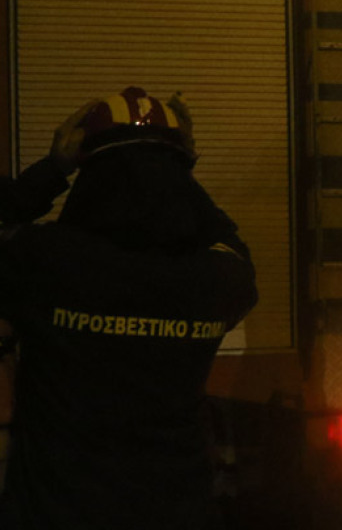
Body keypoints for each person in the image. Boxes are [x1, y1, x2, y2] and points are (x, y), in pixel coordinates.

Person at [0, 86, 258, 529]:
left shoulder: (43, 261)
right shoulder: (214, 279)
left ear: (91, 174)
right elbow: (227, 239)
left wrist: (54, 168)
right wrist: (179, 164)